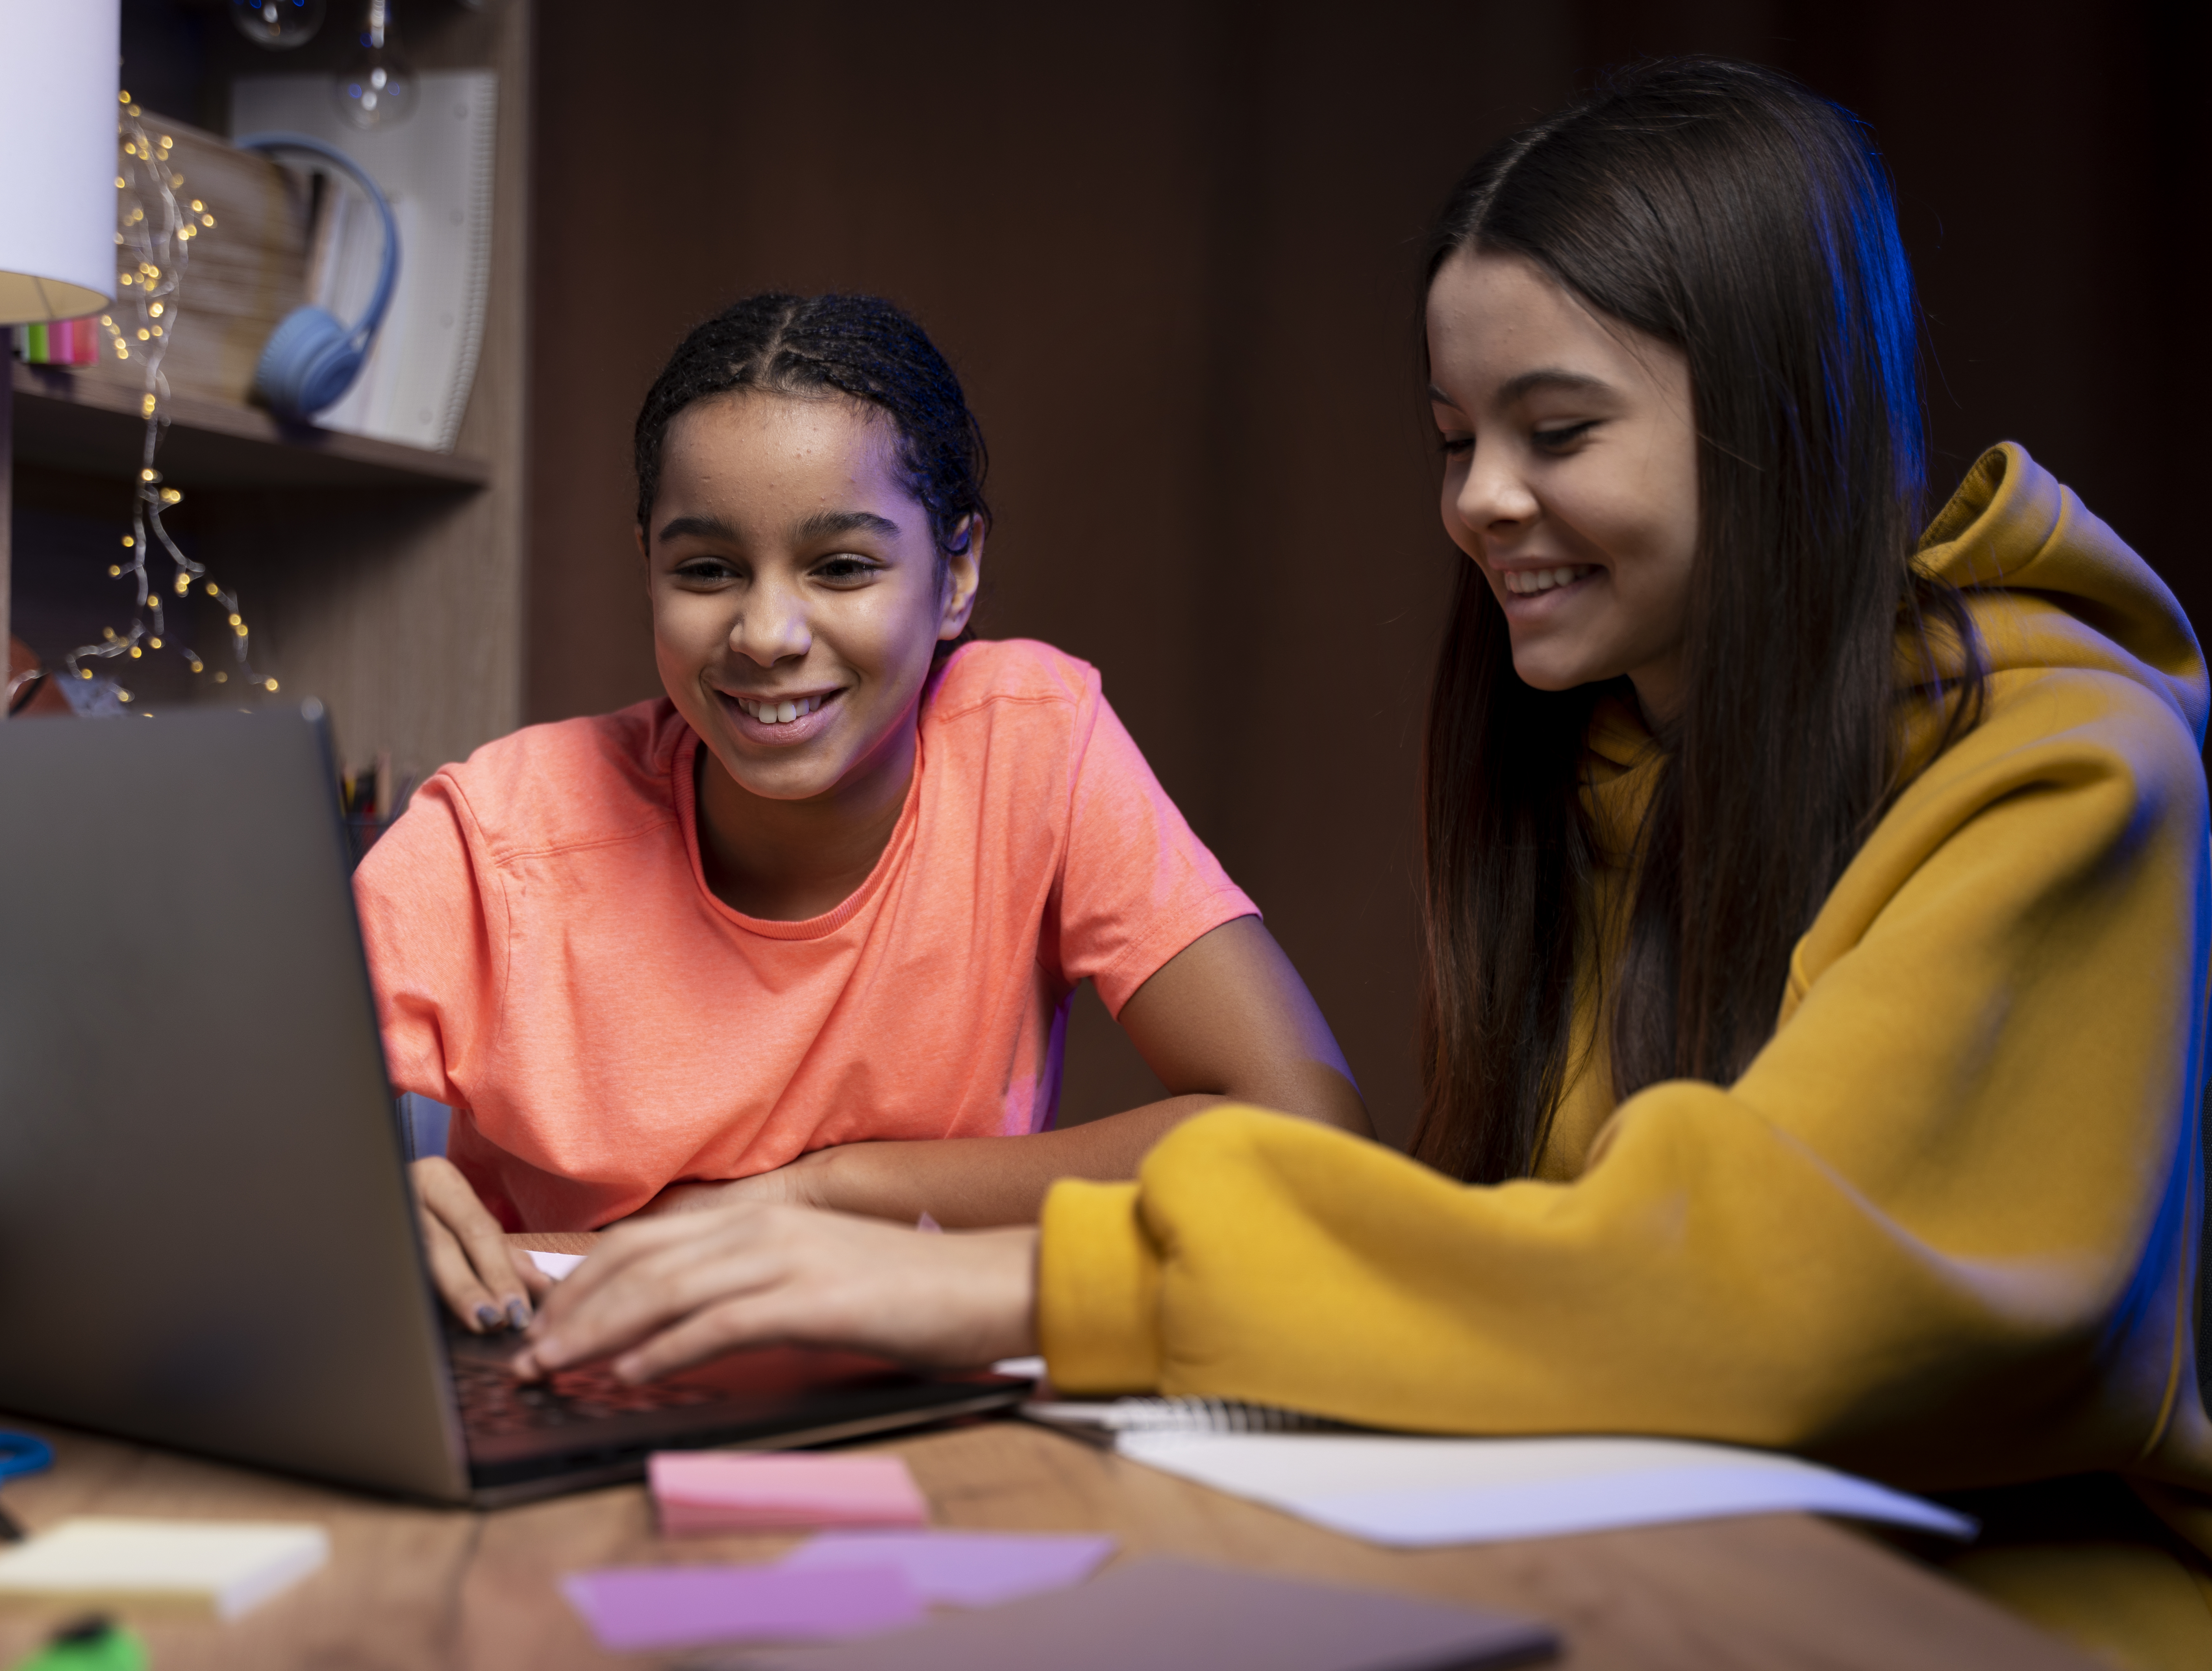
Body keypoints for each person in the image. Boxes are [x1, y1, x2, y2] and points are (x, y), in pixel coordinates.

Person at [521, 61, 2212, 1668]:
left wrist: (980, 1275)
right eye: (1450, 439)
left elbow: (1755, 1294)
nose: (1477, 501)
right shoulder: (1604, 759)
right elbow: (1524, 1268)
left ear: (1777, 422)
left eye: (1552, 433)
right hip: (1671, 1548)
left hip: (2007, 1609)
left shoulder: (2069, 769)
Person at [354, 293, 1367, 1332]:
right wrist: (364, 1213)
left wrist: (821, 1192)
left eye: (841, 567)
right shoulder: (500, 833)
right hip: (565, 1366)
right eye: (706, 570)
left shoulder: (1028, 744)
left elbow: (1304, 1139)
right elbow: (207, 1159)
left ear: (958, 570)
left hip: (915, 1382)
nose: (765, 632)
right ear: (647, 566)